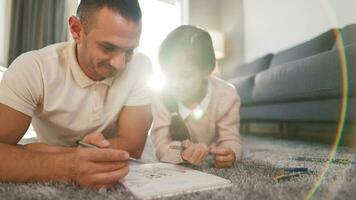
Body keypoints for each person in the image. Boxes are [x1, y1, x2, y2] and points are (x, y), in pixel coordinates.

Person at [0, 0, 152, 189]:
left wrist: (43, 152)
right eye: (108, 48)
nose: (120, 64)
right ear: (76, 29)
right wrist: (69, 165)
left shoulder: (140, 66)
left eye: (129, 51)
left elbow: (133, 146)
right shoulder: (34, 68)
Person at [151, 25, 242, 168]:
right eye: (168, 75)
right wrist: (181, 153)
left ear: (207, 71)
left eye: (184, 75)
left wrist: (231, 153)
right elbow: (161, 145)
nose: (174, 84)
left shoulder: (227, 96)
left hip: (211, 152)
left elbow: (231, 138)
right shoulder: (161, 97)